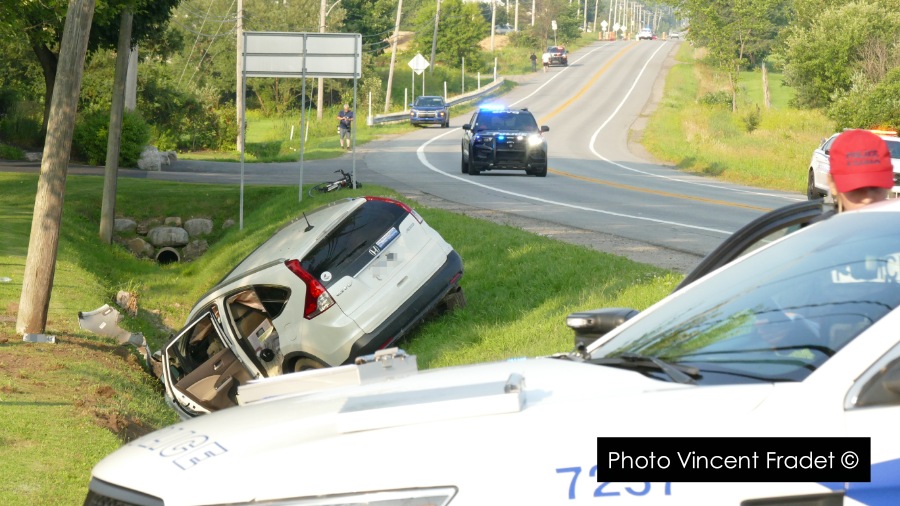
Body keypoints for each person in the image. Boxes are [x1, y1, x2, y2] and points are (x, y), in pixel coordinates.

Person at [824, 129, 894, 215]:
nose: (868, 199)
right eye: (857, 189)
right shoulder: (819, 228)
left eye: (875, 187)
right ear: (832, 184)